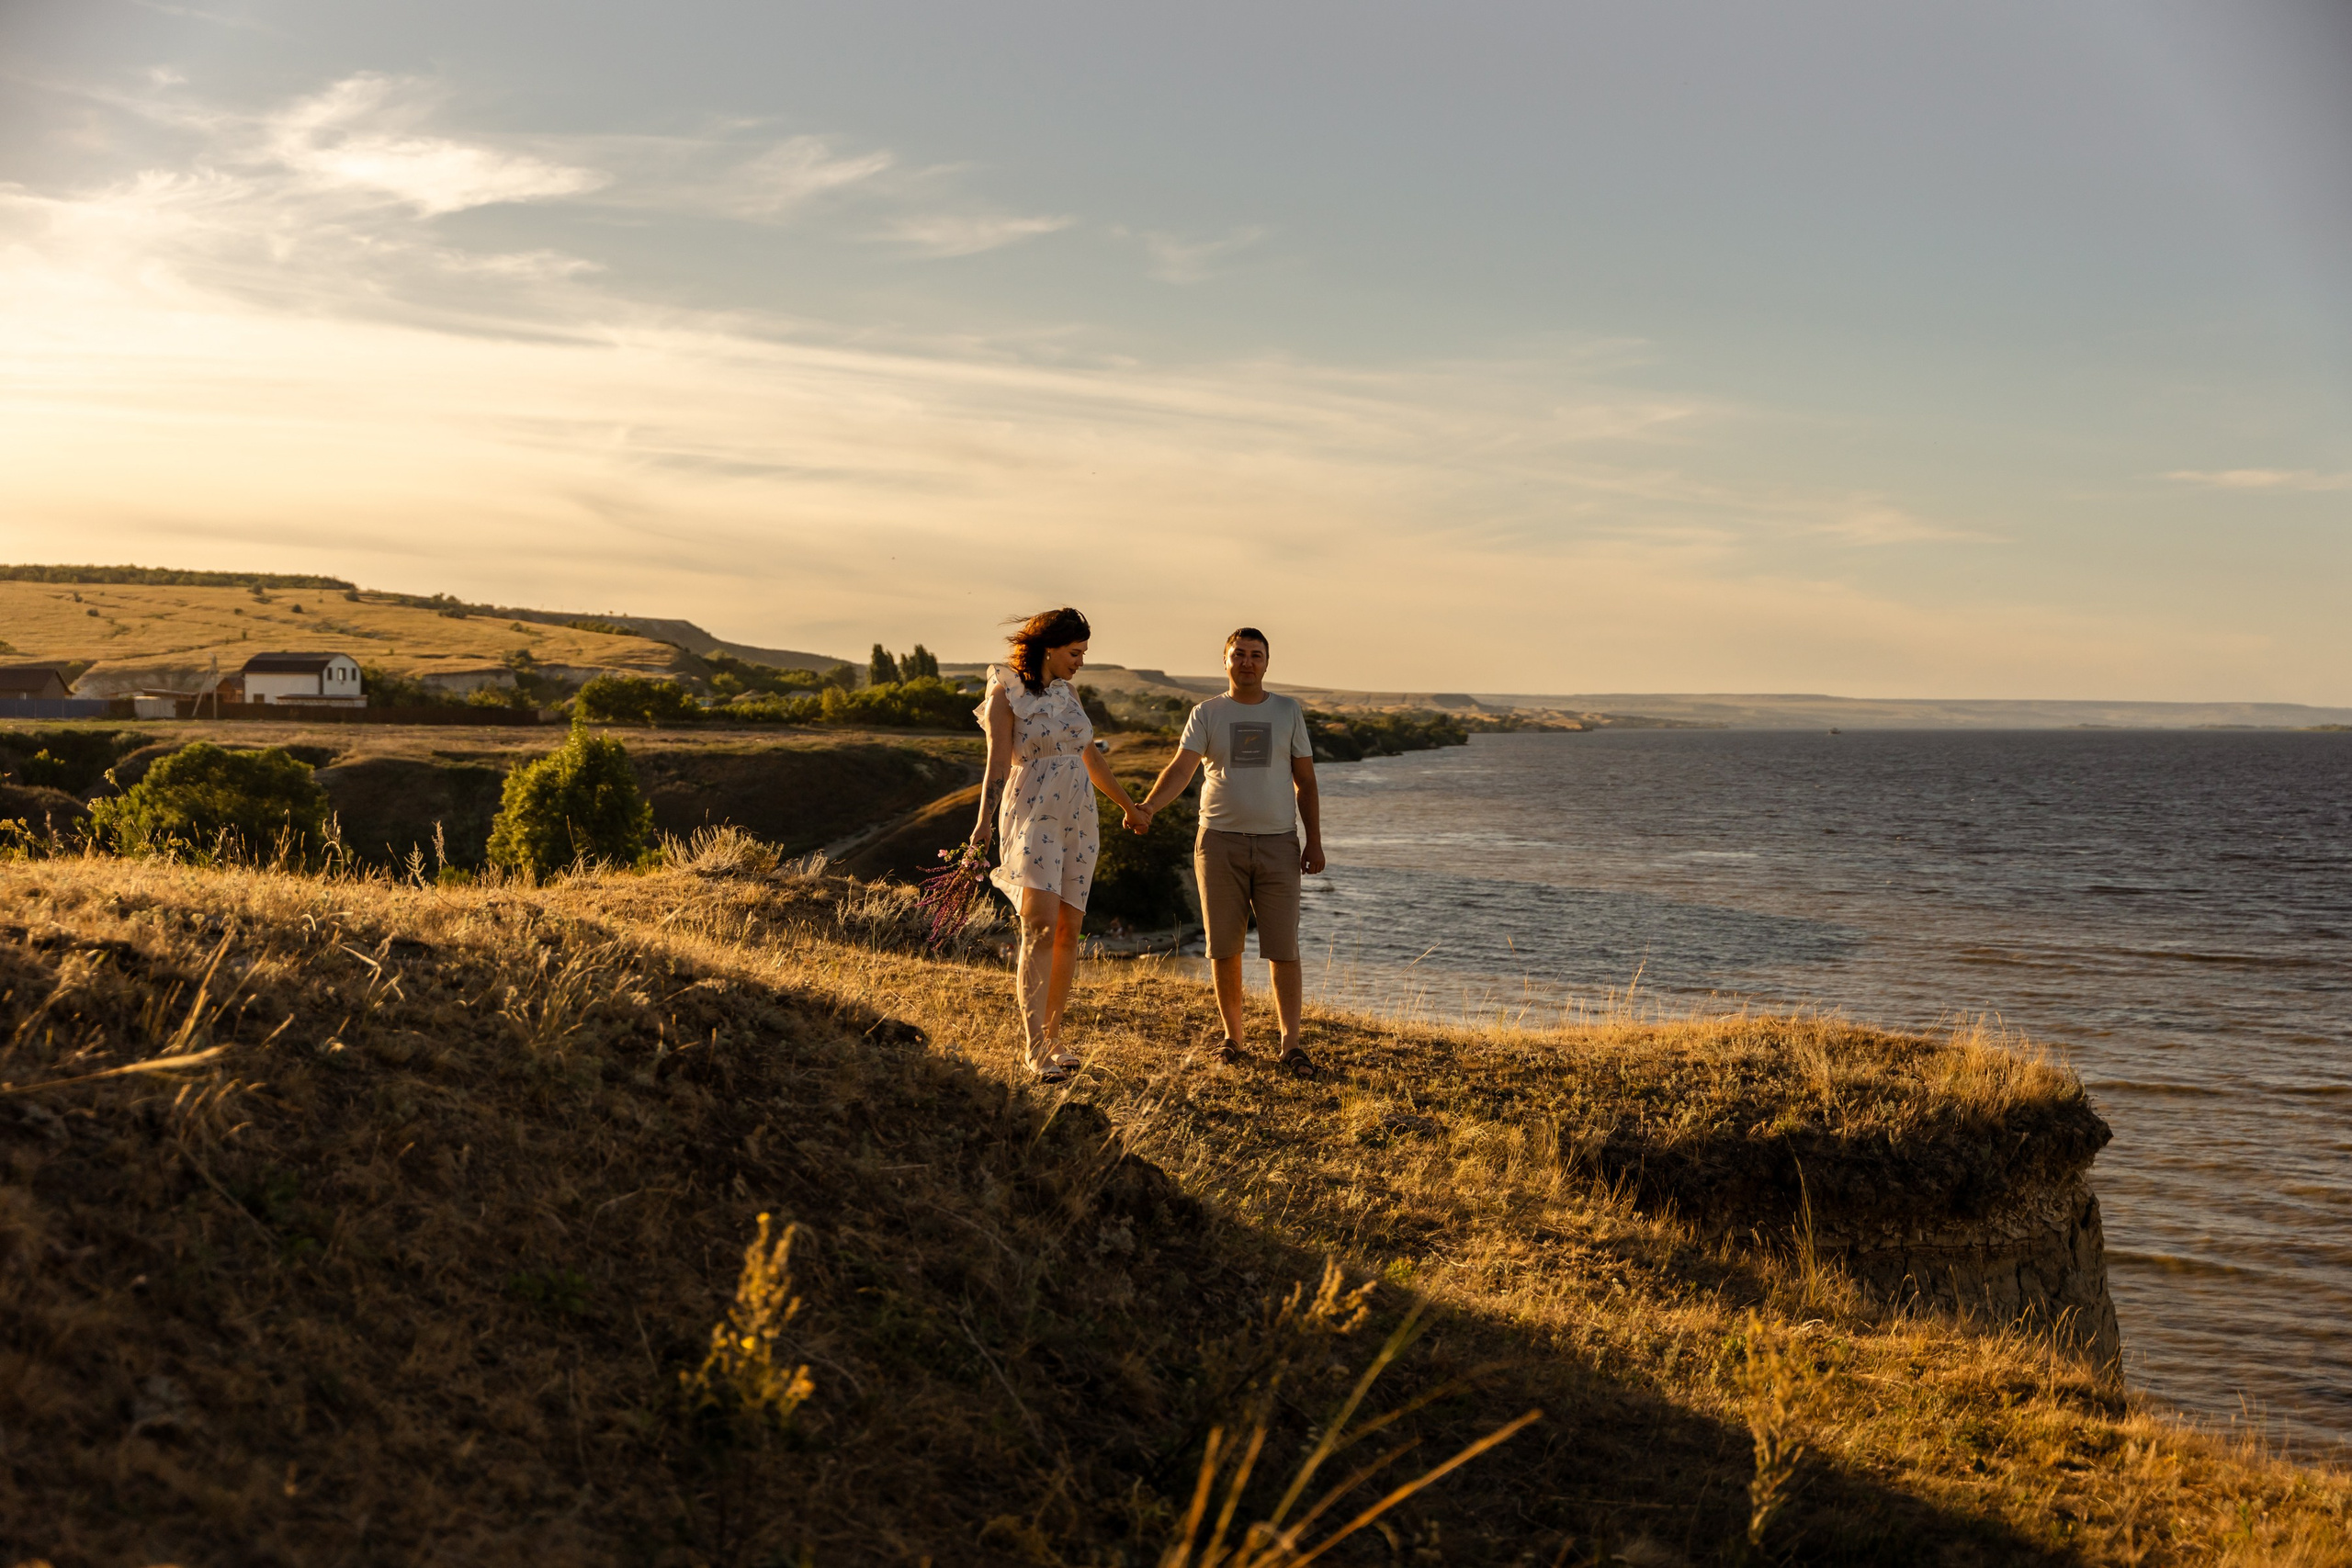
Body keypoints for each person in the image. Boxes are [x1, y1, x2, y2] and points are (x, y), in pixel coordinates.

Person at [1131, 627, 1325, 1074]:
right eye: (1239, 654)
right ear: (1225, 661)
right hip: (1218, 843)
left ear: (1267, 662)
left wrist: (1314, 840)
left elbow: (1306, 782)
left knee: (1284, 946)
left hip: (1279, 843)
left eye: (1256, 655)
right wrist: (1148, 808)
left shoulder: (1287, 711)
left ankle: (1291, 1044)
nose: (1247, 662)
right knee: (1223, 946)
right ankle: (1233, 1037)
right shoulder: (1207, 713)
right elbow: (1181, 770)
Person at [972, 606, 1148, 1083]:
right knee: (1040, 929)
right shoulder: (1005, 694)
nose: (1081, 661)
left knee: (1069, 928)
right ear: (1048, 647)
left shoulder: (1068, 694)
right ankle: (1033, 1049)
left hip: (1079, 818)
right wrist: (982, 826)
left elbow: (1090, 758)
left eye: (1085, 652)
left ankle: (1053, 1036)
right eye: (1076, 652)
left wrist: (1129, 807)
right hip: (1033, 815)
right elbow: (995, 767)